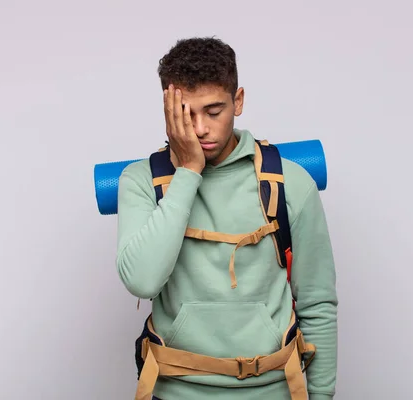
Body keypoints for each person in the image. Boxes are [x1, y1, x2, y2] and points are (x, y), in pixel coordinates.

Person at [115, 37, 338, 400]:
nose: (200, 128)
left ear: (238, 101)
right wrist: (188, 171)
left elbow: (317, 303)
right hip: (176, 390)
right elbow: (142, 281)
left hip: (274, 389)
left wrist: (323, 396)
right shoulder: (140, 180)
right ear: (168, 108)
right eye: (186, 113)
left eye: (214, 111)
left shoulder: (290, 182)